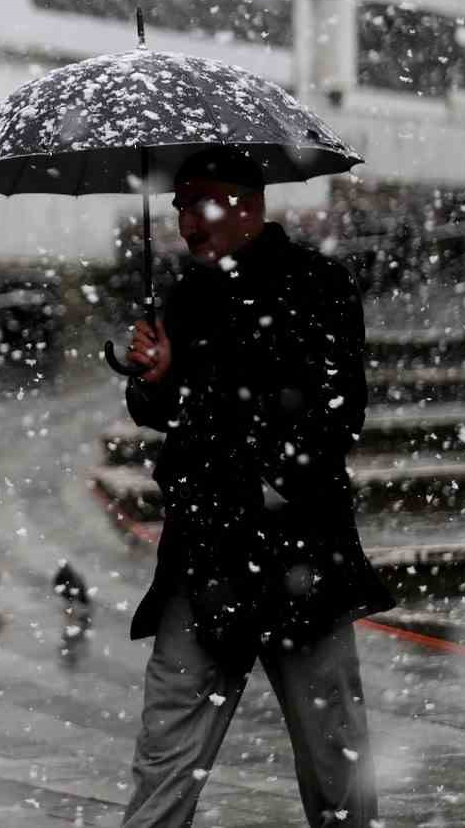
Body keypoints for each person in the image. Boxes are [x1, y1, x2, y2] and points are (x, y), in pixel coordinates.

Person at [120, 146, 394, 828]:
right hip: (202, 553)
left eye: (197, 202)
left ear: (247, 202)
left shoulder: (316, 283)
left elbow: (338, 408)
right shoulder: (186, 295)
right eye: (178, 204)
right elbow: (162, 412)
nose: (184, 221)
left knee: (336, 761)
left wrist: (269, 484)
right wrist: (151, 378)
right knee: (165, 752)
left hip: (297, 557)